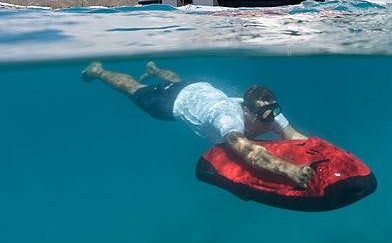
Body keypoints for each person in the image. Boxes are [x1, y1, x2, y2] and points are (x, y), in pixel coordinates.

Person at [81, 61, 315, 188]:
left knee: (177, 81)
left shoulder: (271, 113)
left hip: (200, 87)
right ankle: (98, 71)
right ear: (245, 109)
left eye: (272, 111)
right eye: (262, 113)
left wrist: (316, 153)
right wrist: (290, 170)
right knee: (134, 89)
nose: (269, 117)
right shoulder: (228, 120)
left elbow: (295, 136)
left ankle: (153, 69)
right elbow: (250, 153)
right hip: (172, 103)